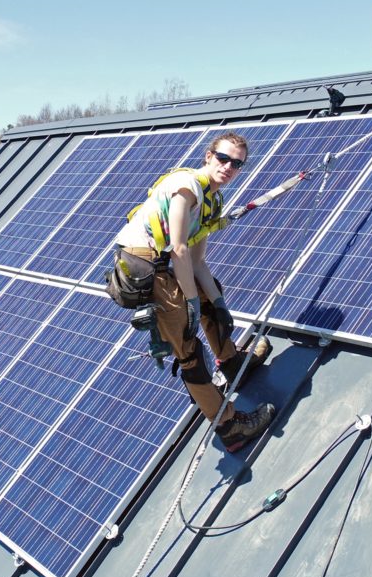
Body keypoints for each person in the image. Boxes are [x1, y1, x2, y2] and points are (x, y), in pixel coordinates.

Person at [113, 131, 274, 452]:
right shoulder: (186, 188)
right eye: (223, 158)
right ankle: (230, 428)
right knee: (188, 351)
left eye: (237, 163)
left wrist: (217, 303)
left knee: (209, 290)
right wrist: (189, 303)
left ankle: (231, 362)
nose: (228, 167)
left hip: (166, 261)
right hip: (144, 266)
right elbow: (178, 248)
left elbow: (198, 263)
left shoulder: (211, 200)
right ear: (208, 156)